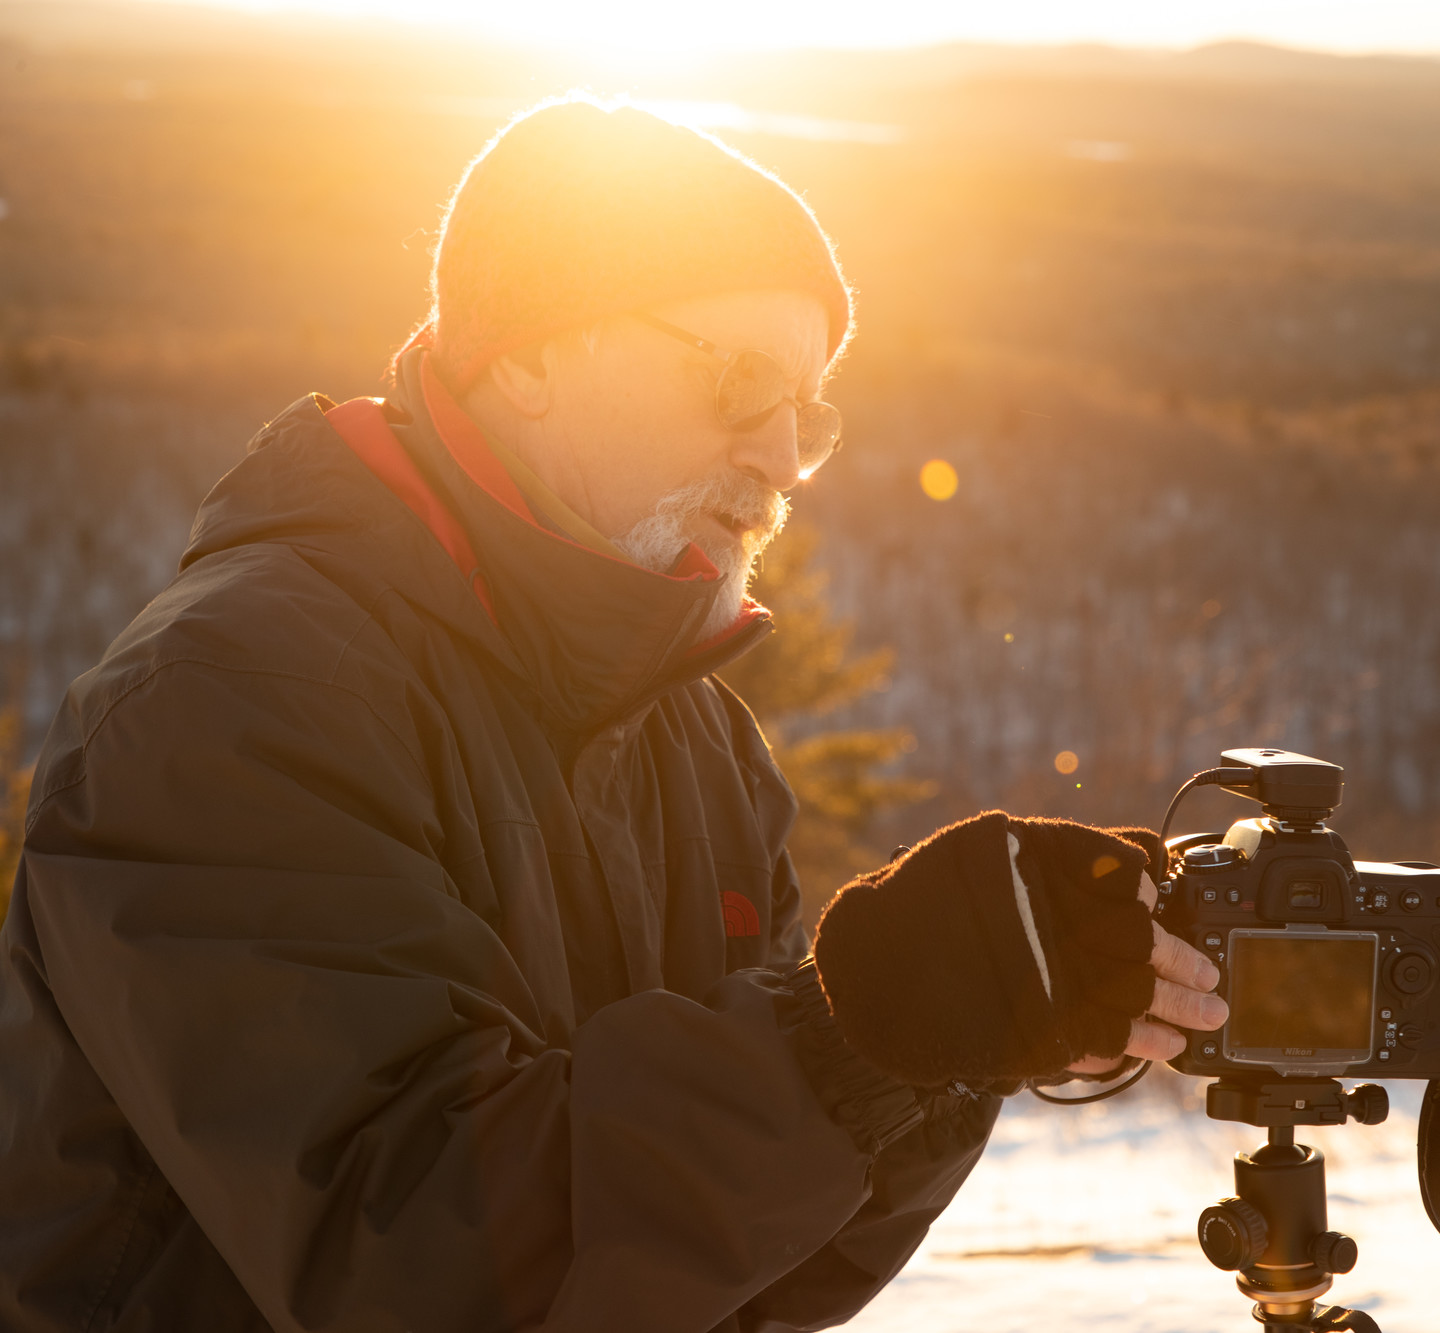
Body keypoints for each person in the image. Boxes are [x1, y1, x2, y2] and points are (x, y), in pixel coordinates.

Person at [0, 98, 1225, 1332]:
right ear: (526, 354)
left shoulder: (693, 747)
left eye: (811, 408)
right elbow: (419, 1260)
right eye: (741, 382)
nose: (786, 457)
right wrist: (852, 1033)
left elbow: (749, 1276)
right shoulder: (235, 695)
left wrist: (952, 1039)